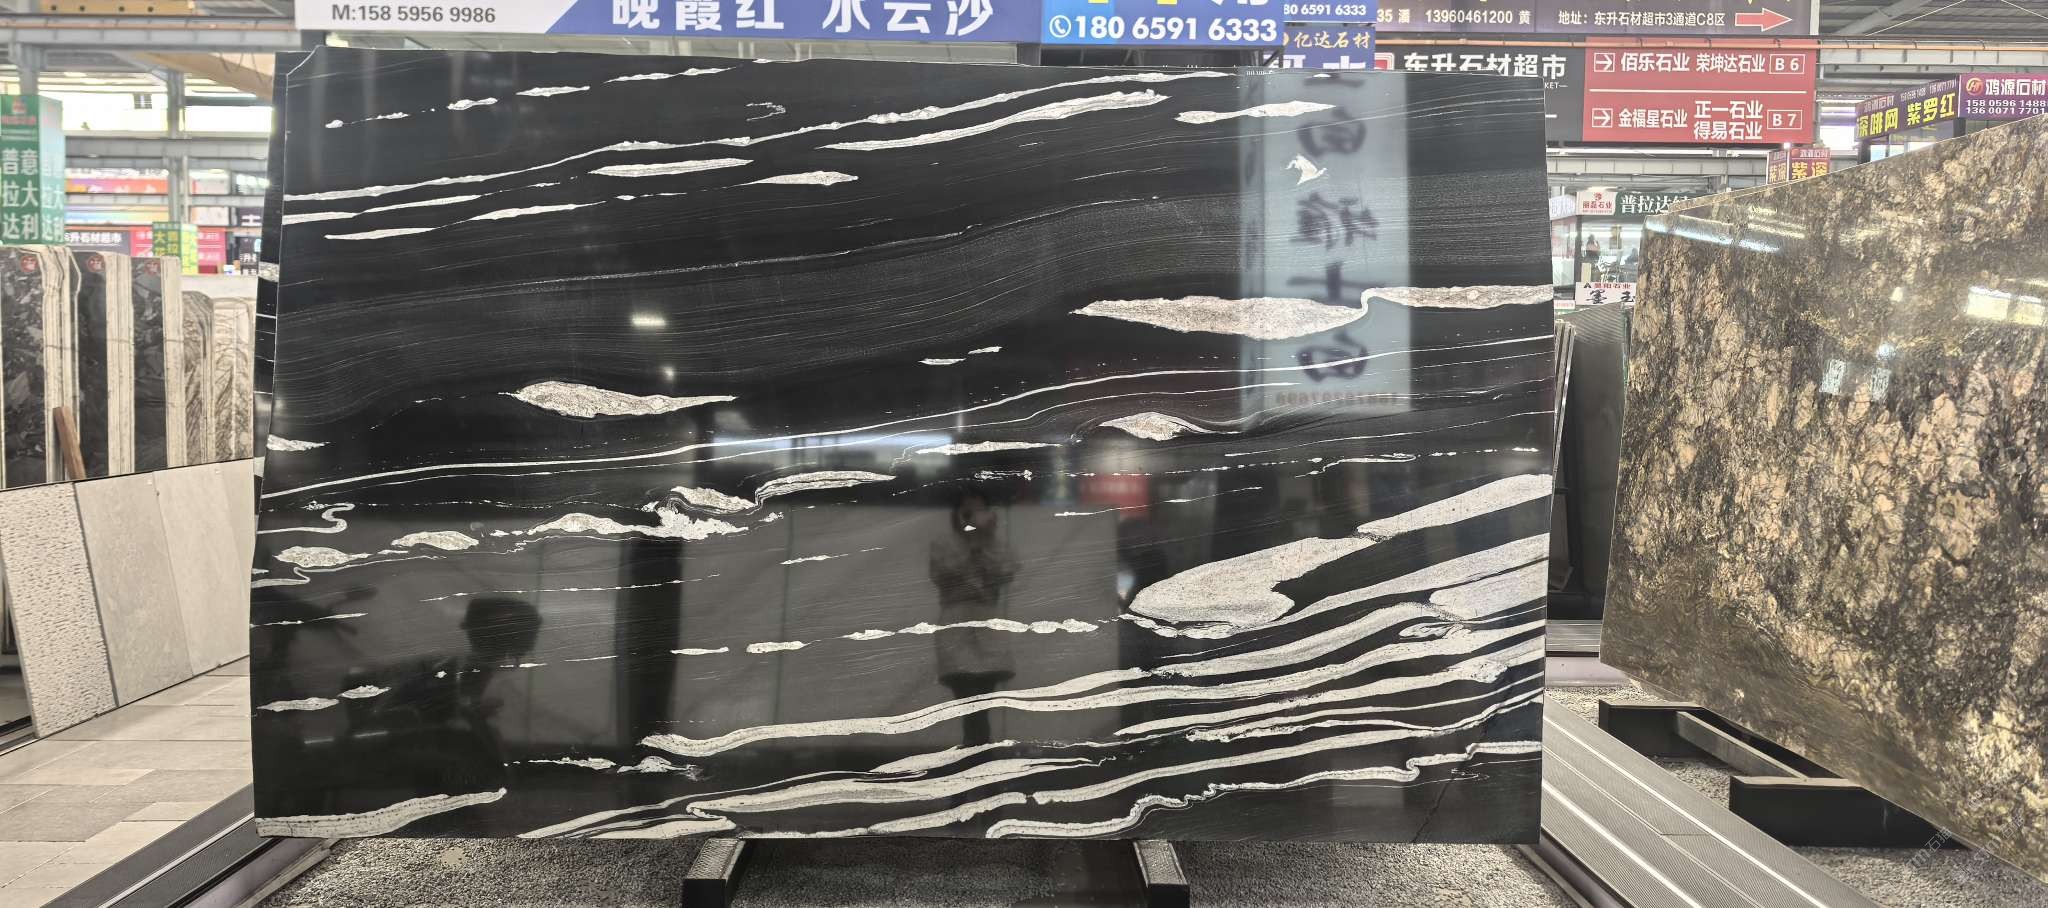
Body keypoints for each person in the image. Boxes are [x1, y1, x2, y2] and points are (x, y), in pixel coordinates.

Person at [926, 490, 1022, 746]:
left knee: (983, 703)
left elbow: (1007, 571)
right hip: (956, 626)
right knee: (967, 699)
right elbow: (942, 574)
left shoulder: (997, 545)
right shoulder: (943, 544)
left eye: (979, 510)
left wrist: (985, 540)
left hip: (988, 626)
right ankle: (976, 754)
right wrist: (971, 543)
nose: (973, 516)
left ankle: (978, 754)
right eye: (967, 511)